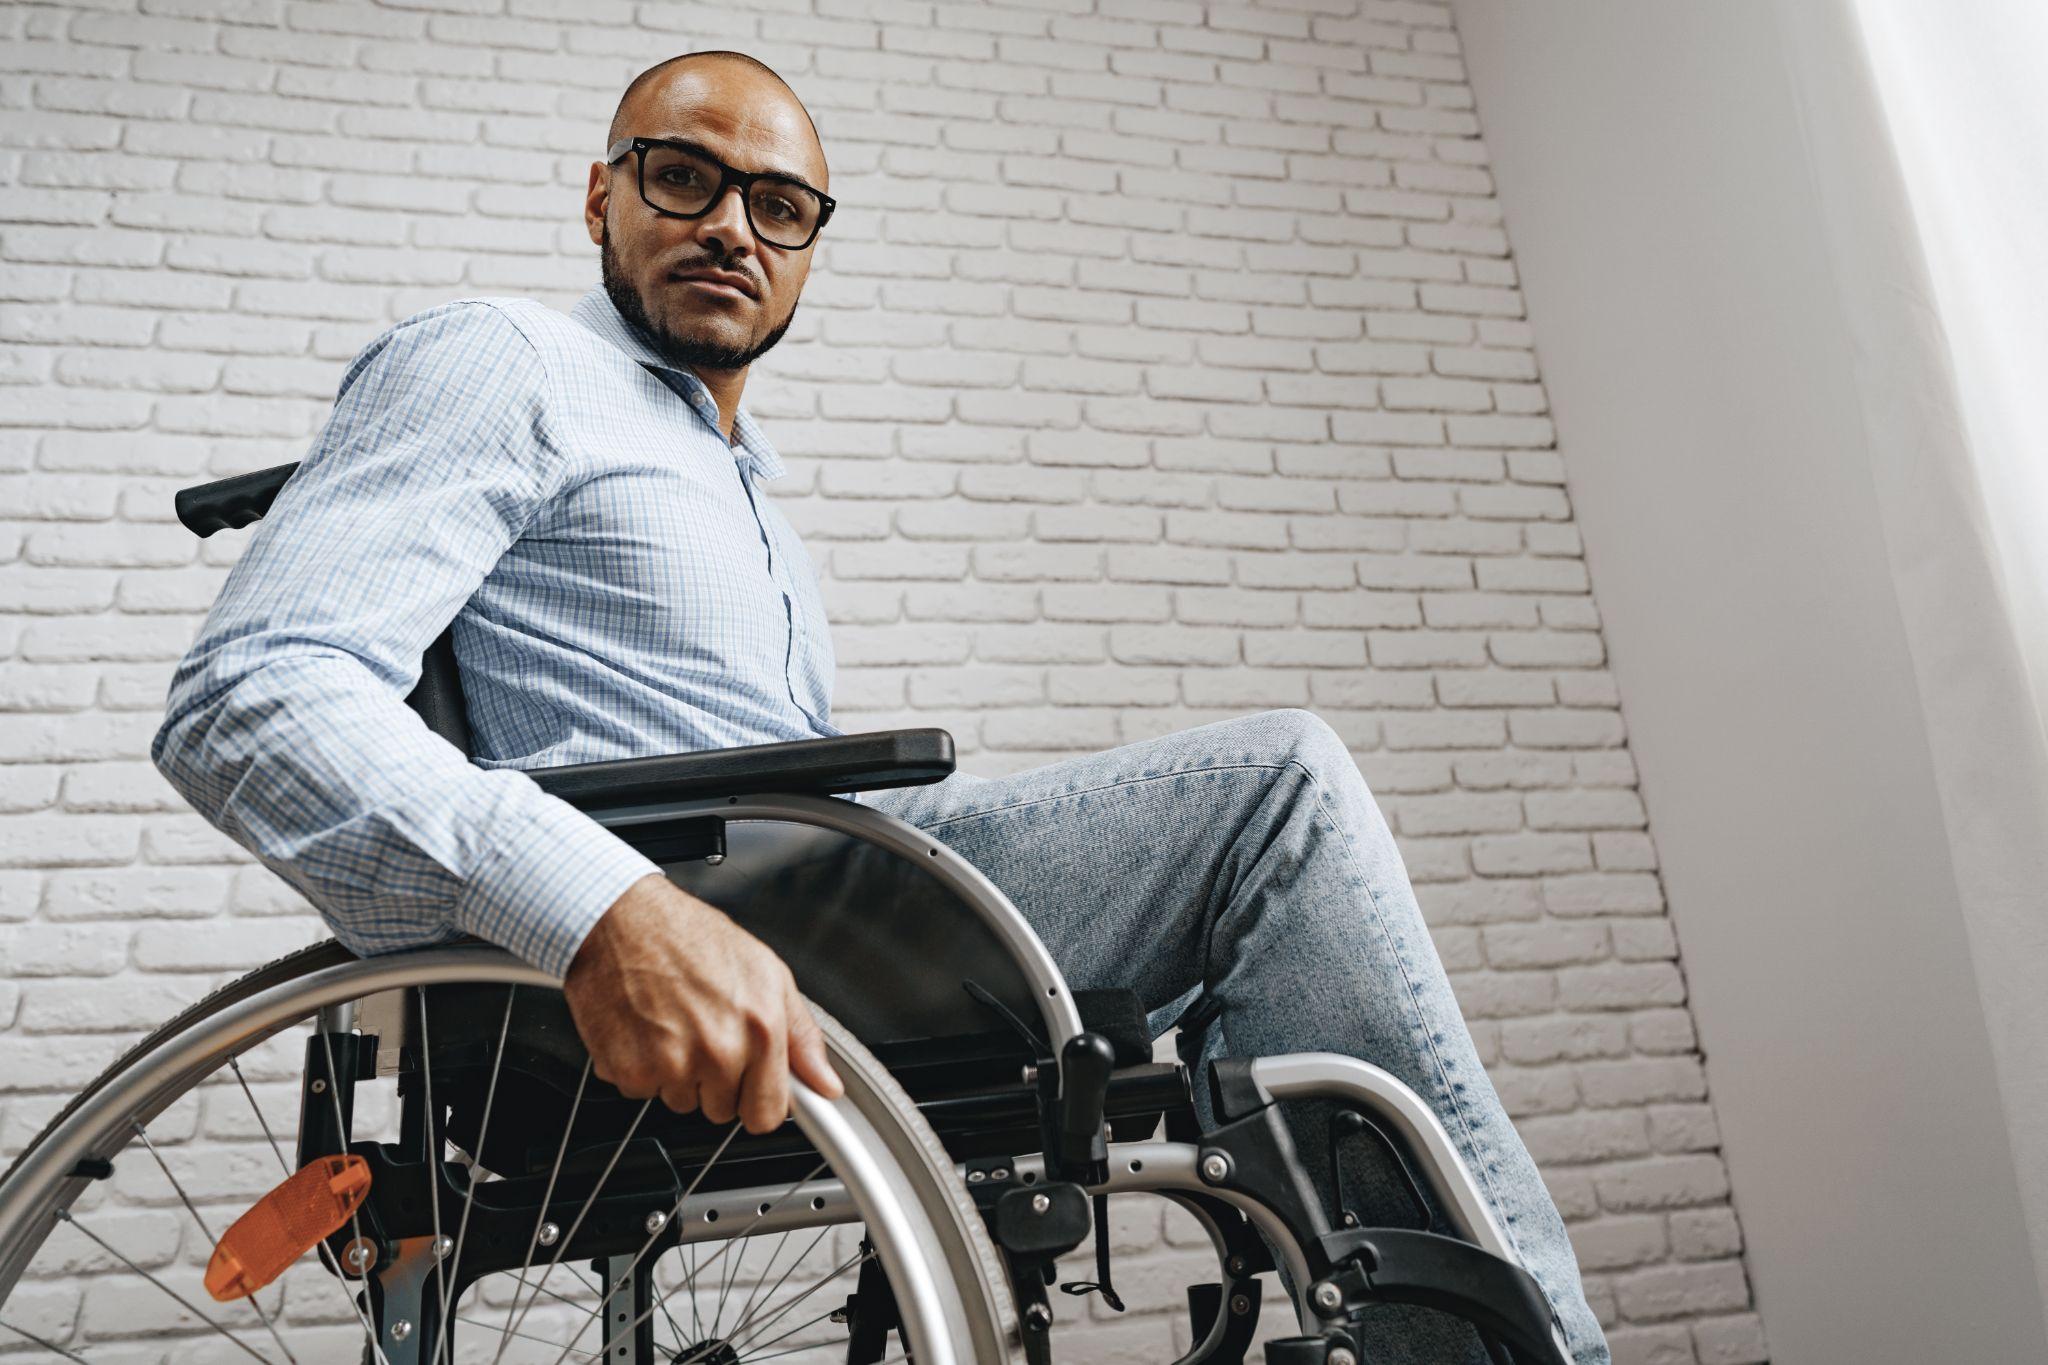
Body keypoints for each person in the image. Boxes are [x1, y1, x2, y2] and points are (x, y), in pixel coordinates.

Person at [152, 50, 1608, 1364]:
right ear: (601, 197)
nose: (734, 222)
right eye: (685, 175)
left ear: (806, 250)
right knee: (1276, 799)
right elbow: (250, 693)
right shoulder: (505, 360)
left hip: (809, 884)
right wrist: (597, 907)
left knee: (1268, 957)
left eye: (779, 205)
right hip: (697, 908)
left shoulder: (741, 486)